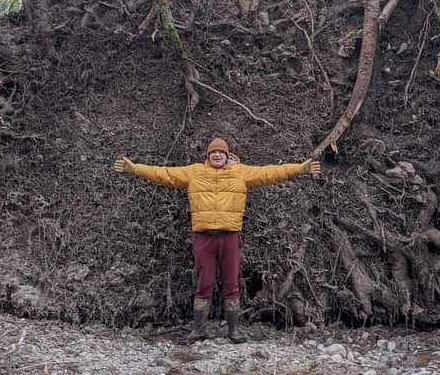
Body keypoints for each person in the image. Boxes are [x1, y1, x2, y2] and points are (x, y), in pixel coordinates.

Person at [113, 137, 321, 342]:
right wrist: (135, 168)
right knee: (204, 283)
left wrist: (299, 169)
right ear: (208, 156)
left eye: (221, 152)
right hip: (204, 238)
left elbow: (271, 172)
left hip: (230, 236)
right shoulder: (194, 171)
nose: (218, 155)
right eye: (214, 152)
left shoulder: (241, 172)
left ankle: (234, 331)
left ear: (227, 155)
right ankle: (199, 330)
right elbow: (164, 174)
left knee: (232, 284)